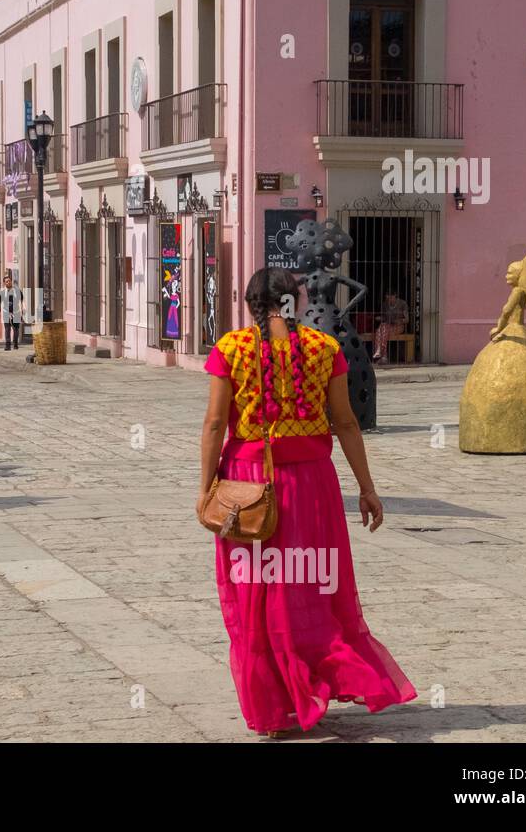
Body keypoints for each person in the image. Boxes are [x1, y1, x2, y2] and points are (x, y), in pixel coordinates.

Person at [197, 267, 416, 738]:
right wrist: (367, 488)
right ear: (294, 300)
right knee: (309, 588)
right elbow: (346, 424)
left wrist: (205, 488)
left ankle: (275, 704)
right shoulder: (325, 349)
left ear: (252, 302)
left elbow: (216, 424)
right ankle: (309, 687)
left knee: (257, 593)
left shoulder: (231, 349)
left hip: (249, 487)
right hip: (312, 486)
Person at [373, 291, 409, 363]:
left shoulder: (403, 304)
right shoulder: (385, 304)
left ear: (395, 295)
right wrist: (380, 318)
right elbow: (385, 318)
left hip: (398, 326)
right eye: (387, 298)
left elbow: (407, 319)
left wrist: (398, 321)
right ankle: (383, 356)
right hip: (387, 326)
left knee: (381, 330)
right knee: (382, 328)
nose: (389, 300)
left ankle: (381, 352)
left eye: (390, 298)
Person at [1, 273, 24, 351]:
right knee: (7, 329)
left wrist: (23, 310)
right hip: (6, 313)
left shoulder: (17, 291)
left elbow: (21, 301)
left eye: (9, 281)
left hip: (16, 312)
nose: (8, 282)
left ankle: (15, 344)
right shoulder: (2, 292)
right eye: (7, 281)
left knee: (16, 329)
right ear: (4, 283)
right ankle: (7, 346)